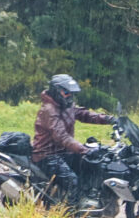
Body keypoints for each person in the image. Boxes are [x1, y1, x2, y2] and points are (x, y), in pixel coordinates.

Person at [32, 74, 115, 208]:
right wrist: (84, 149)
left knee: (91, 166)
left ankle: (88, 201)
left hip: (63, 152)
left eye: (71, 93)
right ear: (56, 91)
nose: (69, 95)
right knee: (72, 181)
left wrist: (109, 119)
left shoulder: (65, 105)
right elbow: (61, 136)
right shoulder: (50, 110)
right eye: (66, 92)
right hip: (47, 155)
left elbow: (84, 114)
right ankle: (70, 215)